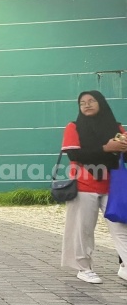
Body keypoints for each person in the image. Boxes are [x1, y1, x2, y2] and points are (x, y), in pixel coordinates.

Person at [60, 90, 127, 284]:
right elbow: (75, 156)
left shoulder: (117, 128)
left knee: (121, 227)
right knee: (84, 229)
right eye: (82, 102)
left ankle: (124, 266)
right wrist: (106, 149)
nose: (87, 105)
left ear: (101, 103)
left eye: (91, 101)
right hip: (84, 184)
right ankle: (84, 268)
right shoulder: (74, 127)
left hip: (113, 186)